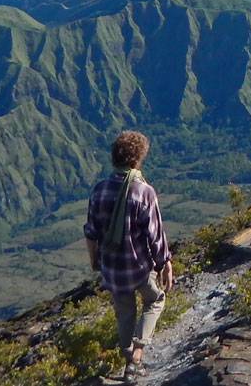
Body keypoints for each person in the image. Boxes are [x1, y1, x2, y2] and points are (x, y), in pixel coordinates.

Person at [84, 130, 173, 379]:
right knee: (155, 300)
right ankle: (137, 356)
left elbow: (91, 232)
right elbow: (155, 236)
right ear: (138, 158)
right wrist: (164, 263)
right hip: (139, 267)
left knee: (124, 313)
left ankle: (126, 361)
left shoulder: (99, 190)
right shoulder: (144, 192)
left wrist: (95, 261)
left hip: (112, 268)